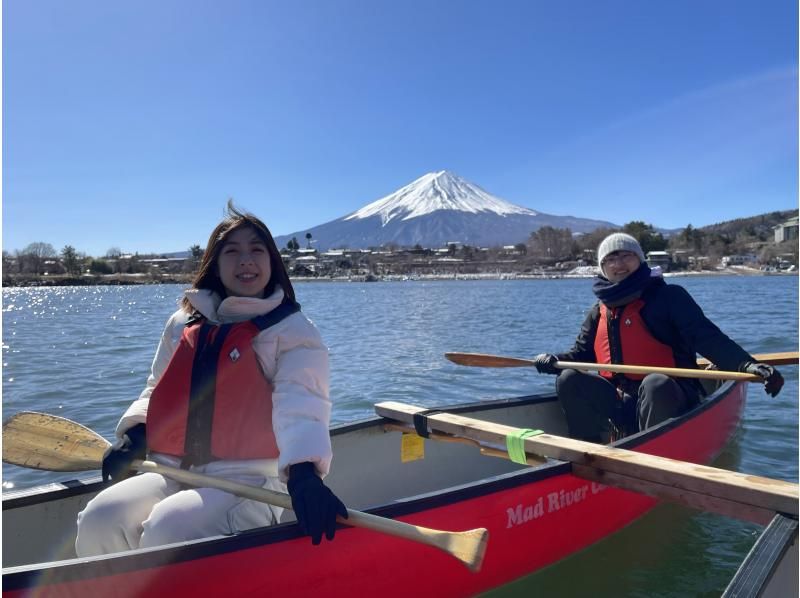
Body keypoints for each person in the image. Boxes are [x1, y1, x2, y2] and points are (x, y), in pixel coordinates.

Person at [75, 202, 346, 556]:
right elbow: (157, 387)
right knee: (101, 517)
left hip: (249, 480)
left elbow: (302, 404)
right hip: (172, 467)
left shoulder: (294, 332)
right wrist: (138, 432)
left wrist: (304, 472)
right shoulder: (183, 323)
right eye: (231, 252)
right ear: (215, 265)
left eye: (256, 250)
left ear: (272, 263)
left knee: (168, 528)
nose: (245, 260)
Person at [533, 232, 784, 443]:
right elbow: (581, 355)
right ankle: (587, 453)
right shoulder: (598, 310)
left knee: (655, 383)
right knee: (568, 378)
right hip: (622, 399)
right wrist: (554, 360)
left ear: (640, 260)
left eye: (626, 255)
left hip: (671, 394)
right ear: (603, 268)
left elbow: (707, 337)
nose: (618, 263)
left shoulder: (669, 297)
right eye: (611, 258)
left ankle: (649, 454)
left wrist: (747, 364)